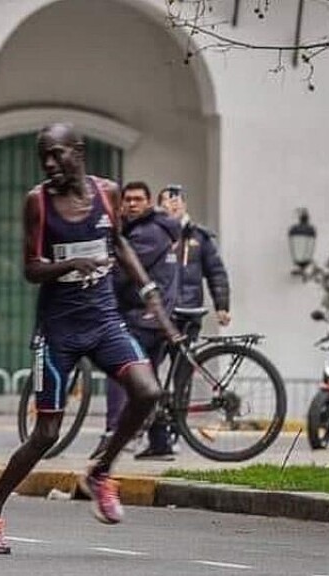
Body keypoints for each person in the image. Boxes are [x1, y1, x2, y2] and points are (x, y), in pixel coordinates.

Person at [0, 124, 182, 555]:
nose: (49, 164)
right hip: (57, 333)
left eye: (57, 154)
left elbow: (119, 244)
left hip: (103, 322)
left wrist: (149, 292)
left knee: (148, 391)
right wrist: (69, 265)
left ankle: (100, 472)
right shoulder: (38, 202)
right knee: (46, 434)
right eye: (43, 156)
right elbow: (30, 269)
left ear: (78, 153)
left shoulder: (107, 192)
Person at [98, 181, 182, 461]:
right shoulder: (146, 229)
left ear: (148, 203)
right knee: (149, 379)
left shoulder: (149, 232)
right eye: (128, 200)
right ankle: (160, 443)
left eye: (138, 199)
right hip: (151, 316)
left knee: (118, 369)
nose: (132, 204)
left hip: (144, 315)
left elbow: (123, 272)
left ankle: (112, 431)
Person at [157, 184, 231, 337]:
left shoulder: (199, 236)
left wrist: (222, 306)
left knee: (185, 349)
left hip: (189, 310)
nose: (172, 205)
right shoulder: (154, 235)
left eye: (176, 200)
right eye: (167, 201)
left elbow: (216, 272)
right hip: (161, 310)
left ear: (184, 205)